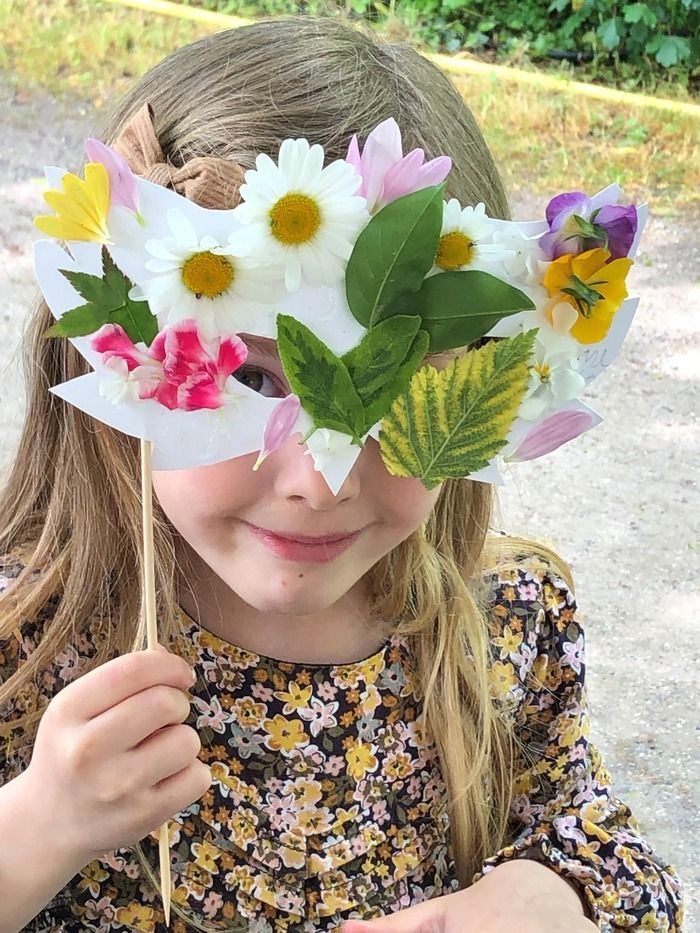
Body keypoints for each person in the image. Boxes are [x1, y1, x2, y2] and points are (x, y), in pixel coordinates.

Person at [0, 14, 684, 933]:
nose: (321, 483)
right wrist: (35, 829)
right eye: (248, 377)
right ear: (119, 358)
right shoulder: (24, 646)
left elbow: (606, 851)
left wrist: (552, 897)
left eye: (398, 392)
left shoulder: (505, 625)